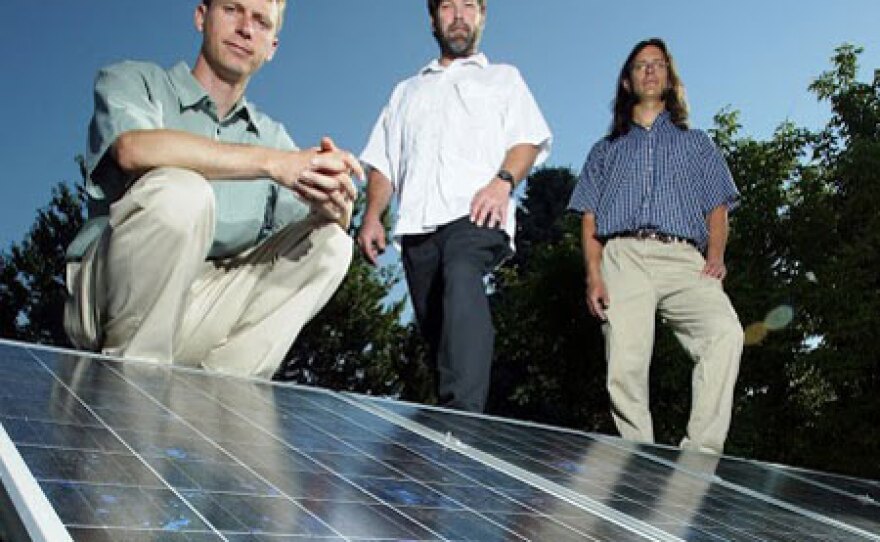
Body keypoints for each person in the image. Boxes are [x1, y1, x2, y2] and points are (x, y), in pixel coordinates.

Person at [63, 0, 363, 379]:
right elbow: (133, 149)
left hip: (204, 310)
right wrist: (269, 163)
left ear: (272, 47)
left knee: (332, 245)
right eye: (233, 10)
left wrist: (335, 200)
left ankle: (220, 400)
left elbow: (324, 226)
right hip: (112, 297)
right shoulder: (136, 80)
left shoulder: (273, 137)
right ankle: (132, 388)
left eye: (260, 21)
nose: (245, 29)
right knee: (182, 192)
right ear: (201, 16)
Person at [358, 0, 552, 412]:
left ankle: (463, 424)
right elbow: (383, 162)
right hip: (418, 227)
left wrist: (502, 184)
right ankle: (451, 422)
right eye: (448, 6)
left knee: (462, 274)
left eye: (469, 6)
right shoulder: (406, 92)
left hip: (476, 213)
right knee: (440, 333)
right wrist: (373, 214)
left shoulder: (503, 79)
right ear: (433, 18)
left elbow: (527, 140)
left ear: (482, 16)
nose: (459, 15)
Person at [568, 38, 743, 454]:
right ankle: (639, 457)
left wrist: (715, 256)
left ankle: (700, 454)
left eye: (658, 64)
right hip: (624, 256)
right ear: (627, 82)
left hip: (684, 258)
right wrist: (594, 275)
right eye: (641, 65)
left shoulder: (697, 143)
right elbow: (589, 218)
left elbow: (717, 208)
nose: (650, 70)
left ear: (668, 78)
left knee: (726, 333)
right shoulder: (604, 150)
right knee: (625, 364)